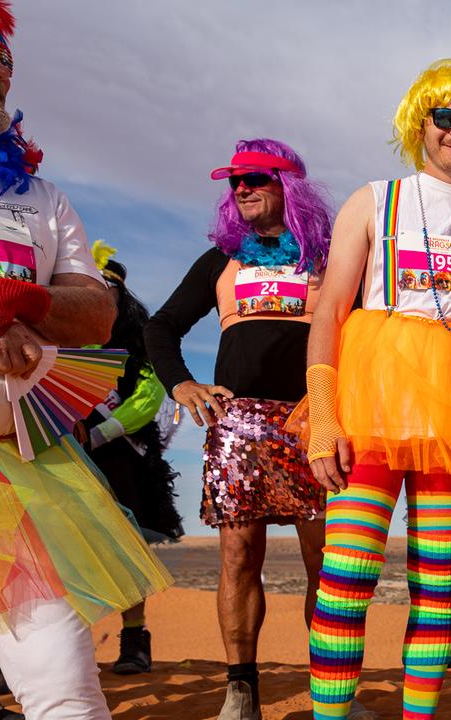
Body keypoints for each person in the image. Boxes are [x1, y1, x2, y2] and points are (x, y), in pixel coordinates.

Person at [301, 58, 451, 720]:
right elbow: (331, 313)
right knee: (345, 581)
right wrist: (321, 418)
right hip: (369, 409)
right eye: (446, 117)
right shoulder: (374, 200)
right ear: (420, 123)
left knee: (438, 590)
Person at [0, 4, 173, 715]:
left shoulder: (40, 199)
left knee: (65, 688)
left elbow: (94, 312)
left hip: (24, 474)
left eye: (2, 50)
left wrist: (20, 304)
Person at [145, 137, 334, 718]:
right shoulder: (219, 261)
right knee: (238, 558)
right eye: (235, 182)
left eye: (255, 178)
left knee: (325, 567)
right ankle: (240, 690)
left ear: (289, 186)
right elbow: (162, 328)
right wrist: (183, 385)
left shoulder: (327, 257)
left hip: (315, 421)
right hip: (240, 425)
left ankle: (330, 691)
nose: (242, 188)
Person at [76, 242, 185, 676]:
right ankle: (71, 652)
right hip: (66, 456)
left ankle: (134, 641)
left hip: (123, 459)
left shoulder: (138, 346)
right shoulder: (60, 338)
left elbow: (148, 397)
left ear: (121, 296)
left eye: (108, 290)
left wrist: (100, 432)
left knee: (126, 550)